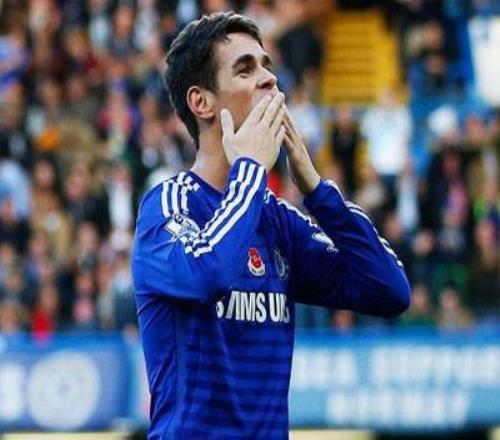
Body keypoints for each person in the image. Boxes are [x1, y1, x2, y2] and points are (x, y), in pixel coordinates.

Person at [131, 12, 410, 439]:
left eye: (267, 66)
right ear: (201, 102)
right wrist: (249, 170)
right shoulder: (167, 207)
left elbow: (389, 290)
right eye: (245, 70)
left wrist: (316, 189)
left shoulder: (278, 221)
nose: (269, 80)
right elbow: (209, 272)